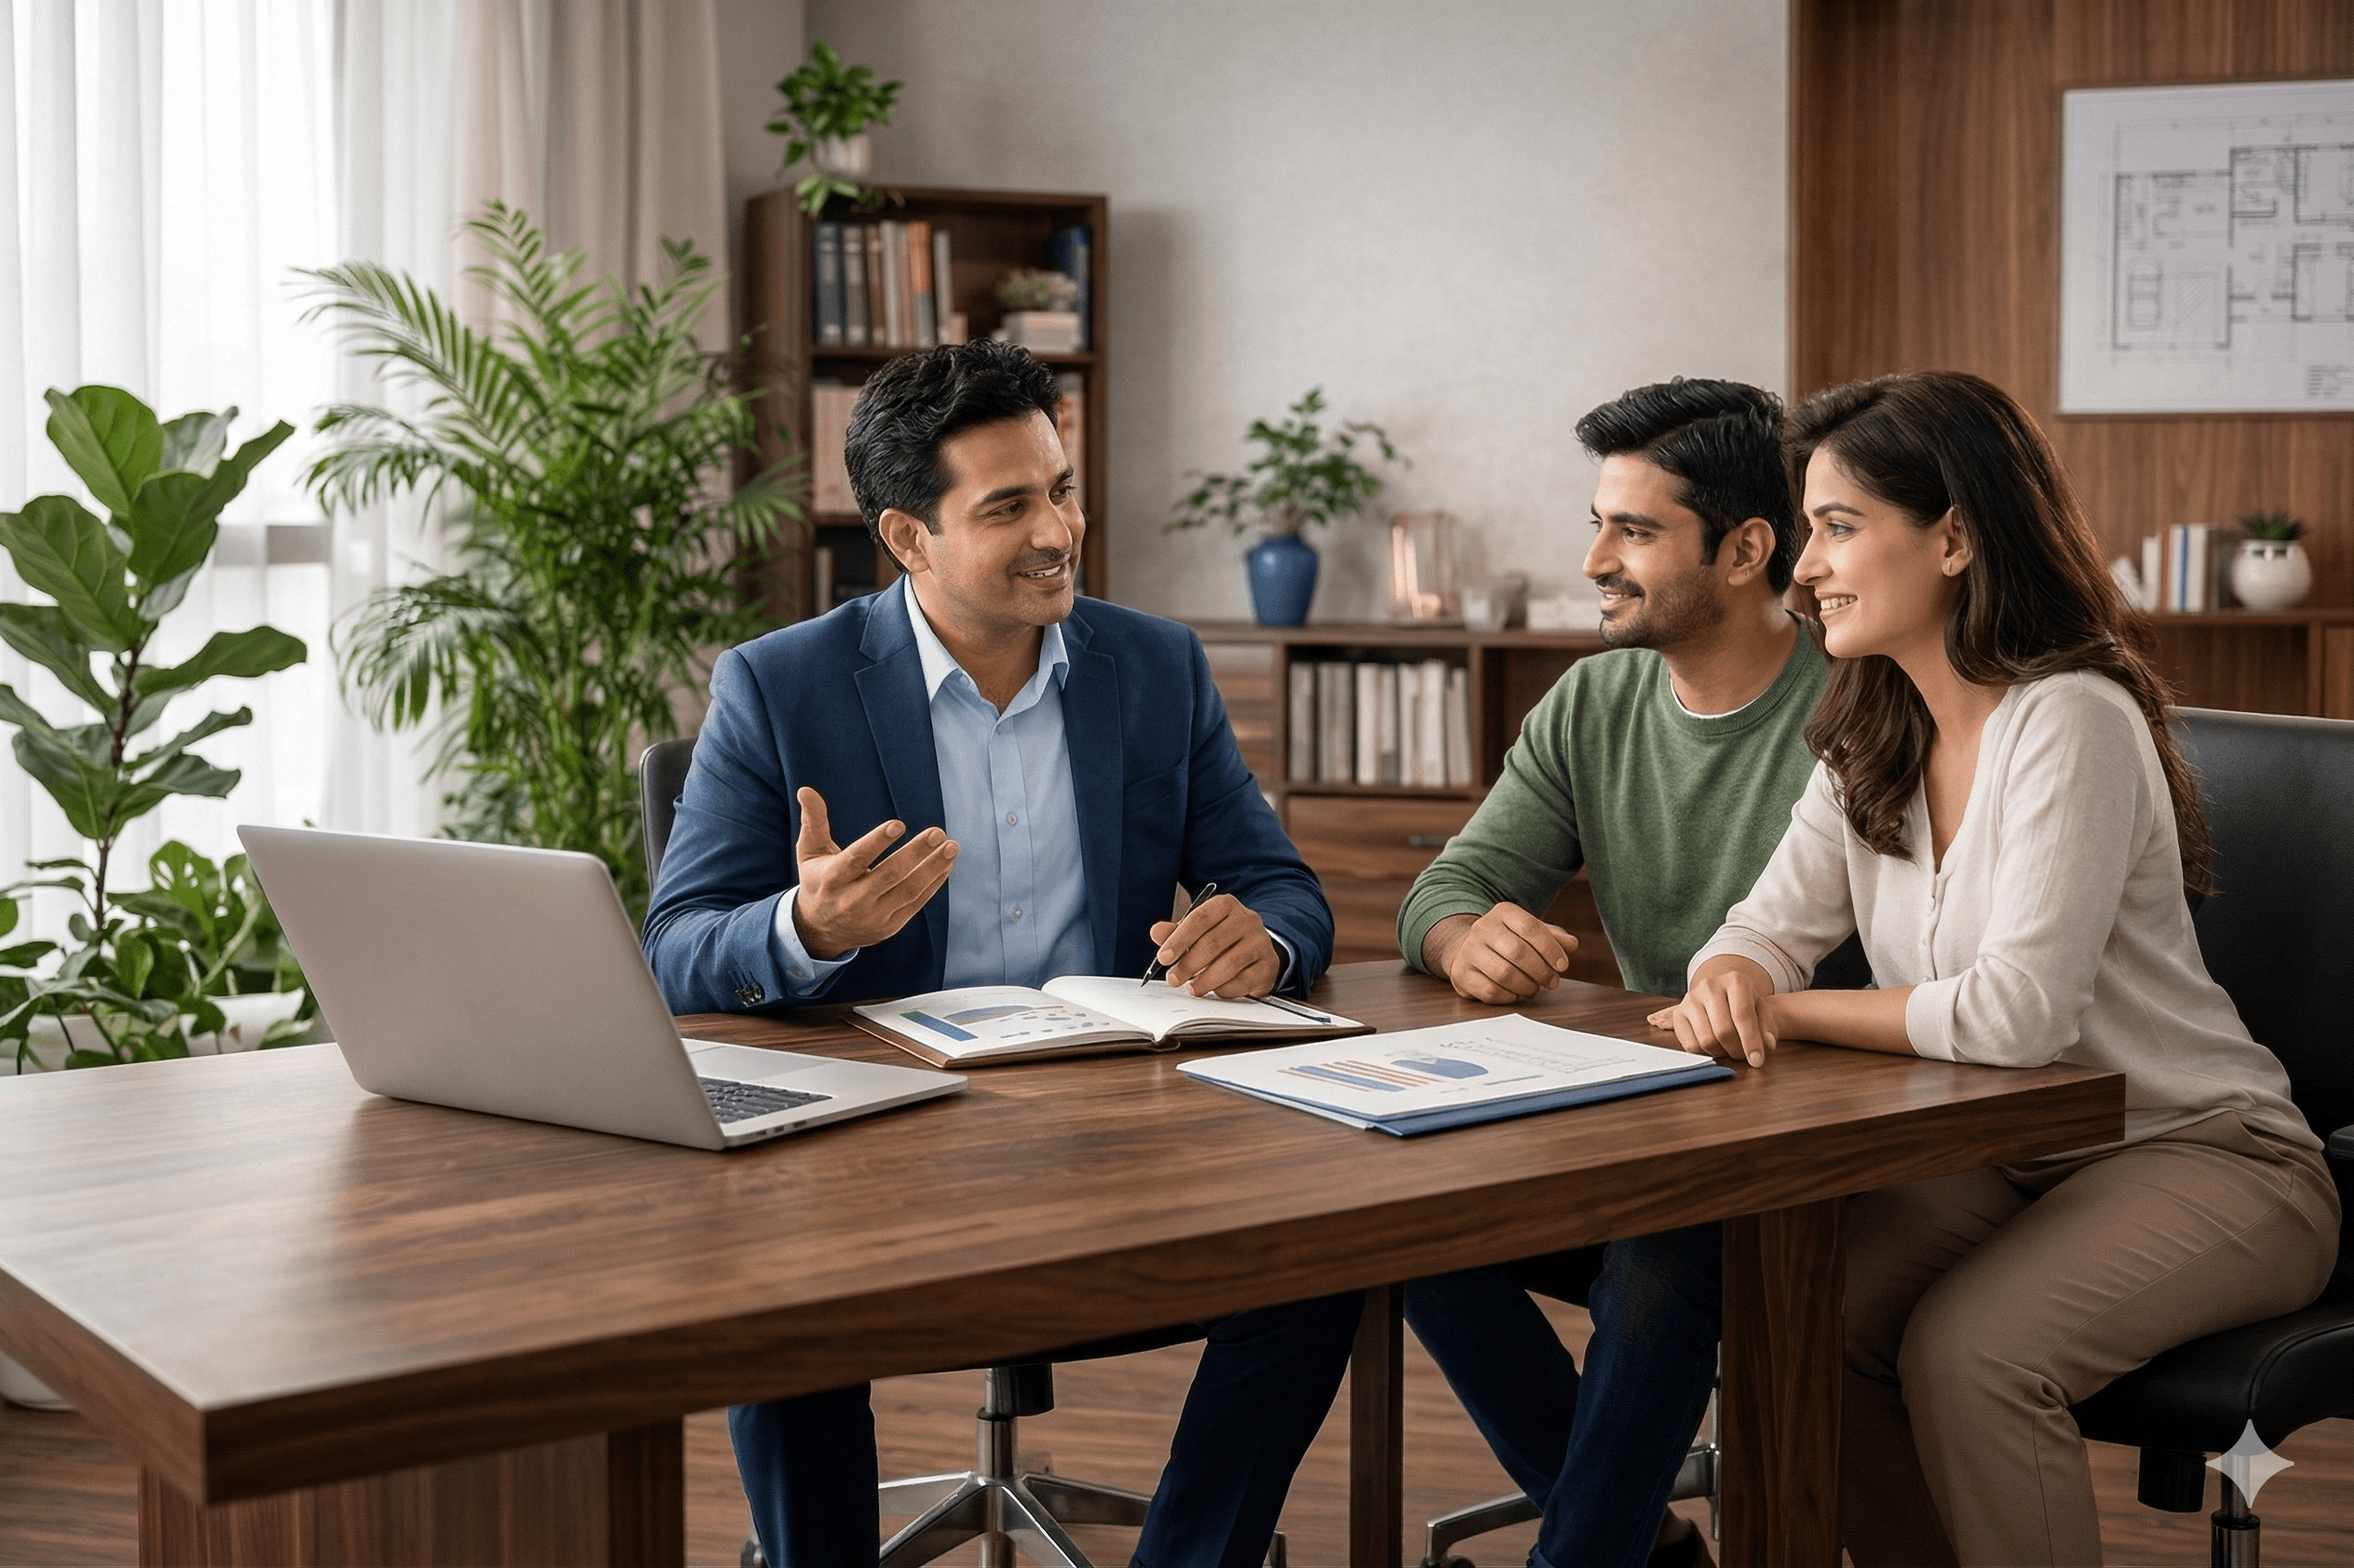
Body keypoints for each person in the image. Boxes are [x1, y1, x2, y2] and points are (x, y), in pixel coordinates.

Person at [643, 341, 1359, 1568]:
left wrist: (1265, 941)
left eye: (1064, 488)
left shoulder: (1156, 665)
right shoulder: (779, 686)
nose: (1061, 528)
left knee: (1328, 1252)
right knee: (783, 1297)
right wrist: (805, 928)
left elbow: (1282, 886)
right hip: (877, 1144)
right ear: (909, 537)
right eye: (1010, 506)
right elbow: (676, 949)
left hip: (1121, 1122)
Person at [1658, 371, 2340, 1568]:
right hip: (2004, 1158)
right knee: (1796, 1326)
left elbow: (2017, 1017)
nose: (1802, 568)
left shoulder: (2068, 718)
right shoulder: (1870, 726)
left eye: (1837, 528)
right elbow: (1760, 924)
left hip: (2208, 1155)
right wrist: (1730, 968)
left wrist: (1785, 1005)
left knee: (1972, 1353)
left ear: (1957, 536)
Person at [1398, 377, 1866, 1568]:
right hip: (1634, 1125)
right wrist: (1467, 940)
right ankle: (1635, 1548)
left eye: (1635, 530)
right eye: (1597, 521)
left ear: (1747, 548)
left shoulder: (1864, 708)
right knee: (1409, 1230)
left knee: (1663, 1264)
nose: (1594, 556)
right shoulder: (1594, 701)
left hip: (1814, 1137)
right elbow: (1443, 891)